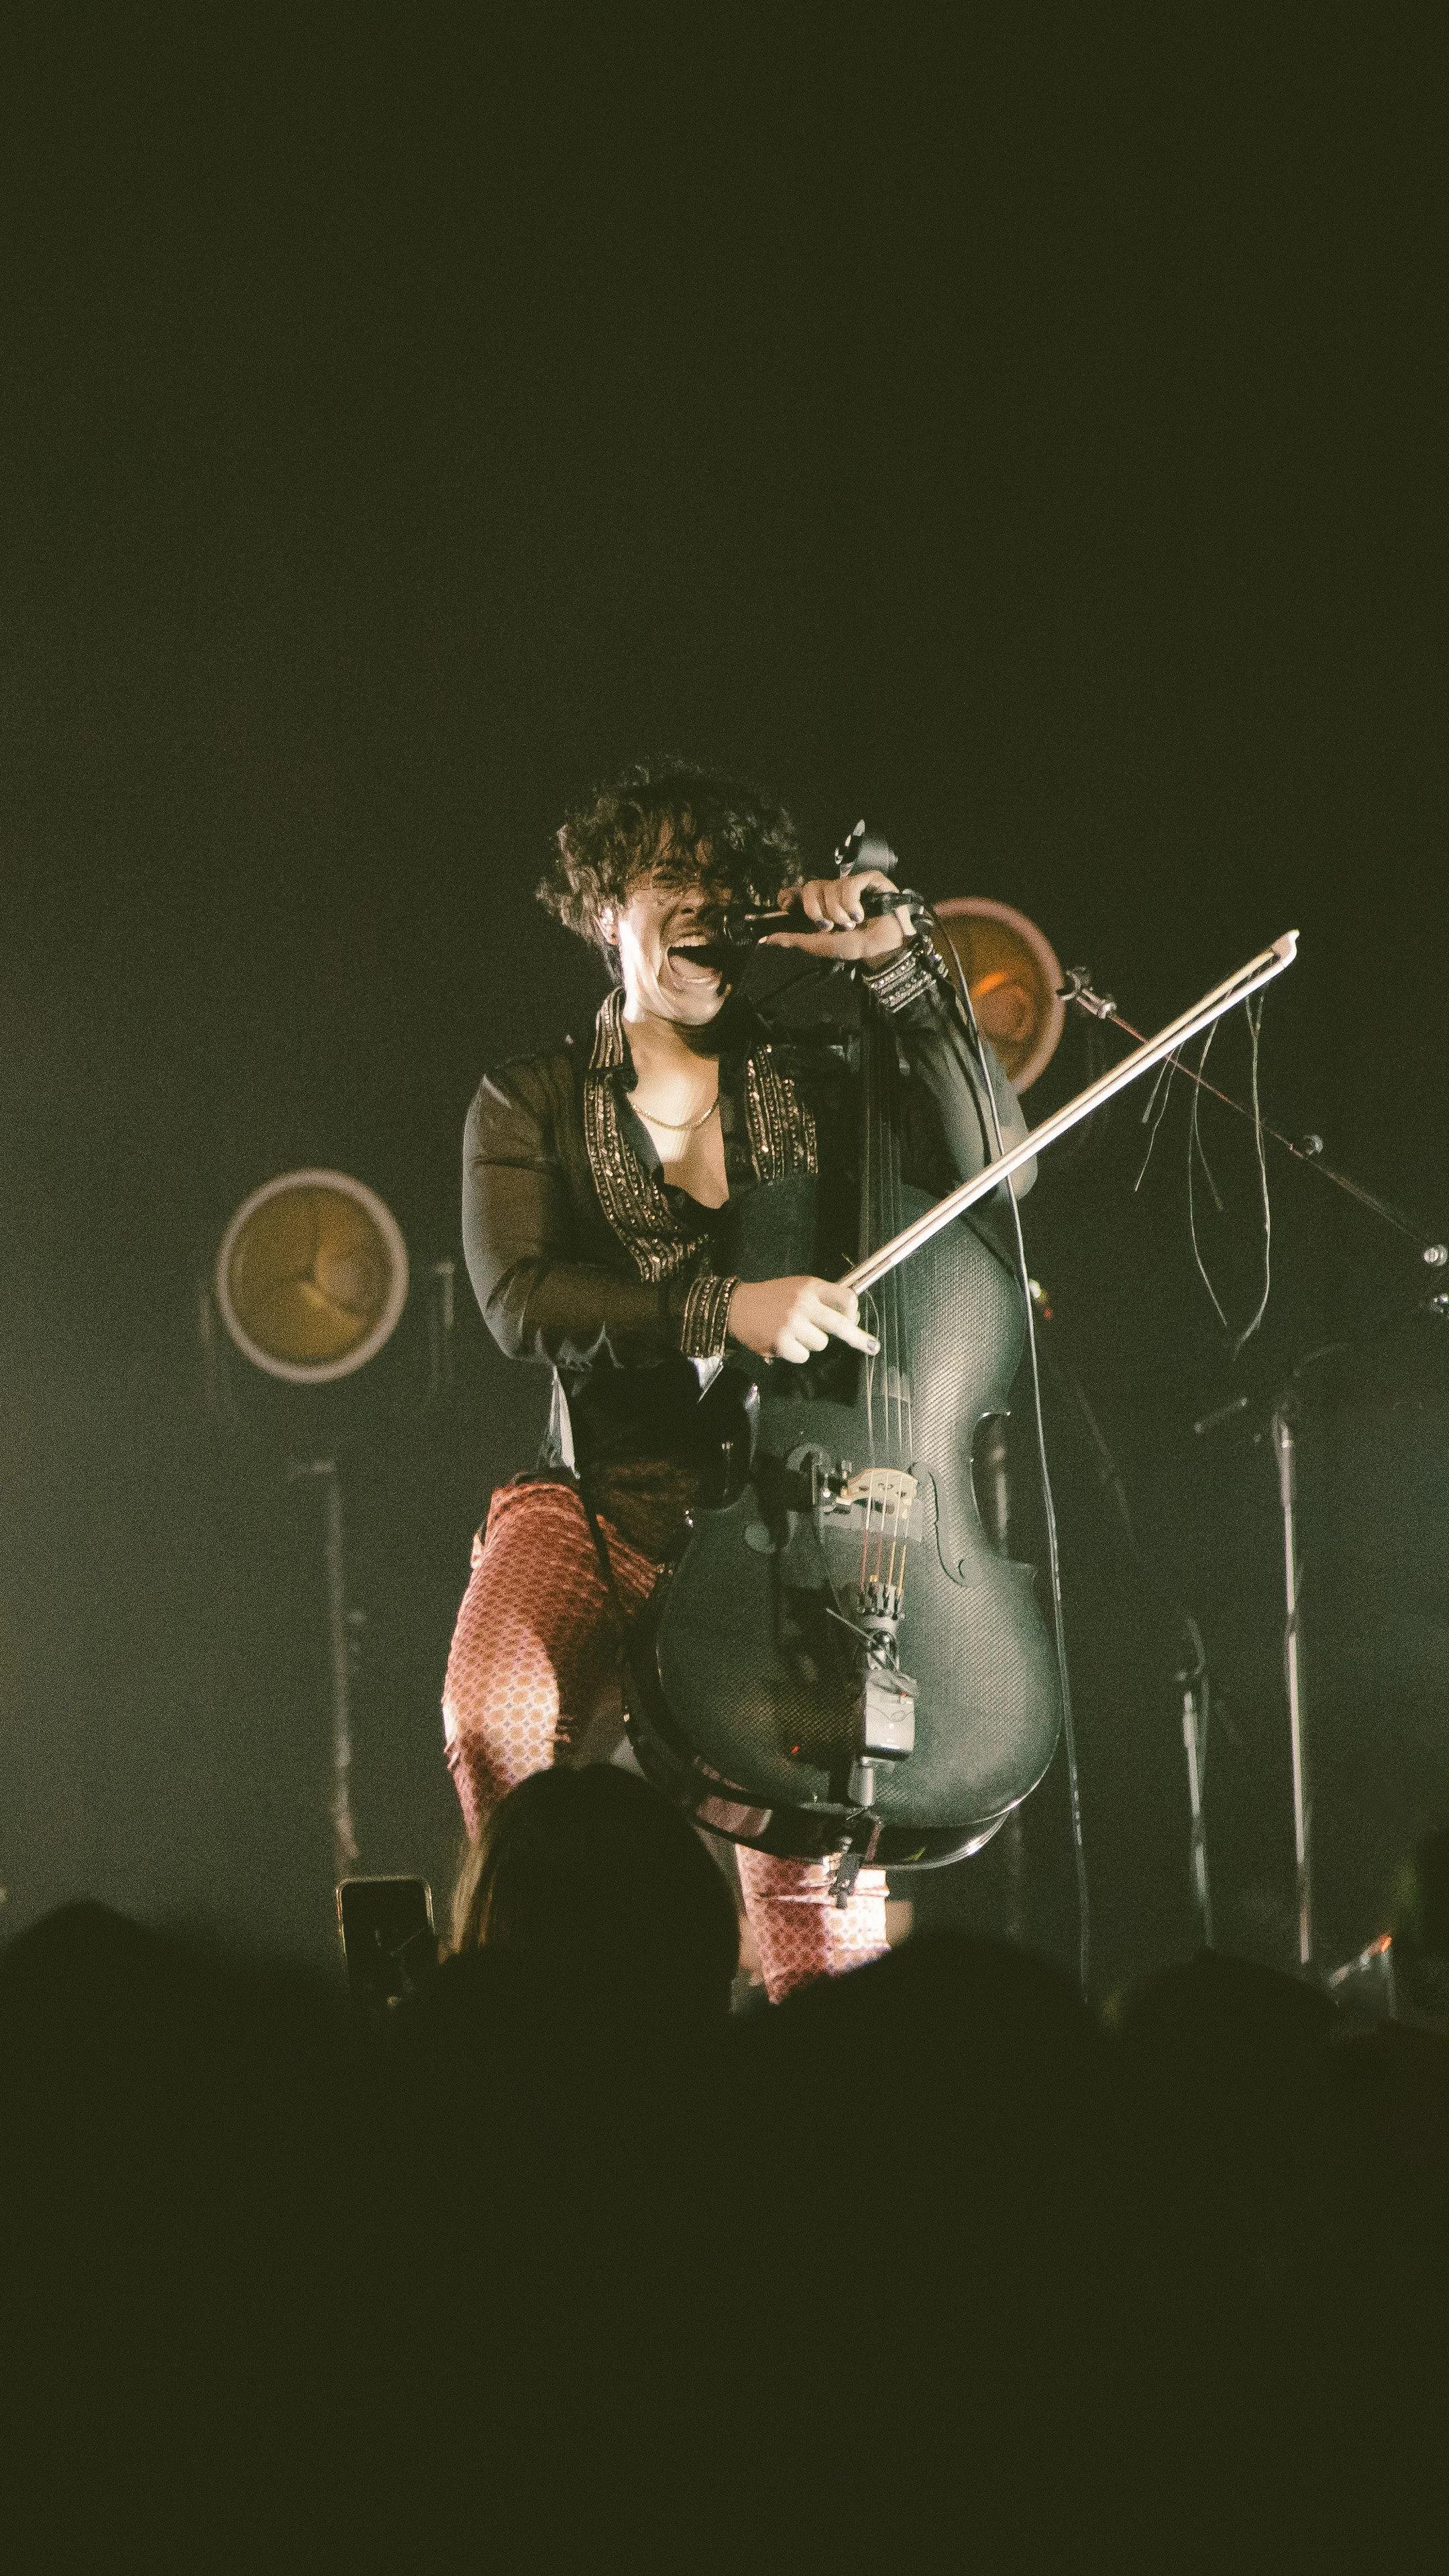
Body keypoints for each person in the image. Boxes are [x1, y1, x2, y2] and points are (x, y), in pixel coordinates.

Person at [443, 757, 1032, 1999]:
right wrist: (721, 1308)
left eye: (729, 883)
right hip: (606, 1504)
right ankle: (540, 2007)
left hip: (801, 1532)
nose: (706, 904)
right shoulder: (529, 1099)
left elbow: (1003, 1174)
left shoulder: (822, 1079)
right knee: (495, 1720)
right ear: (606, 907)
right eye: (673, 878)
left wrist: (899, 972)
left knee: (821, 1925)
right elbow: (522, 1300)